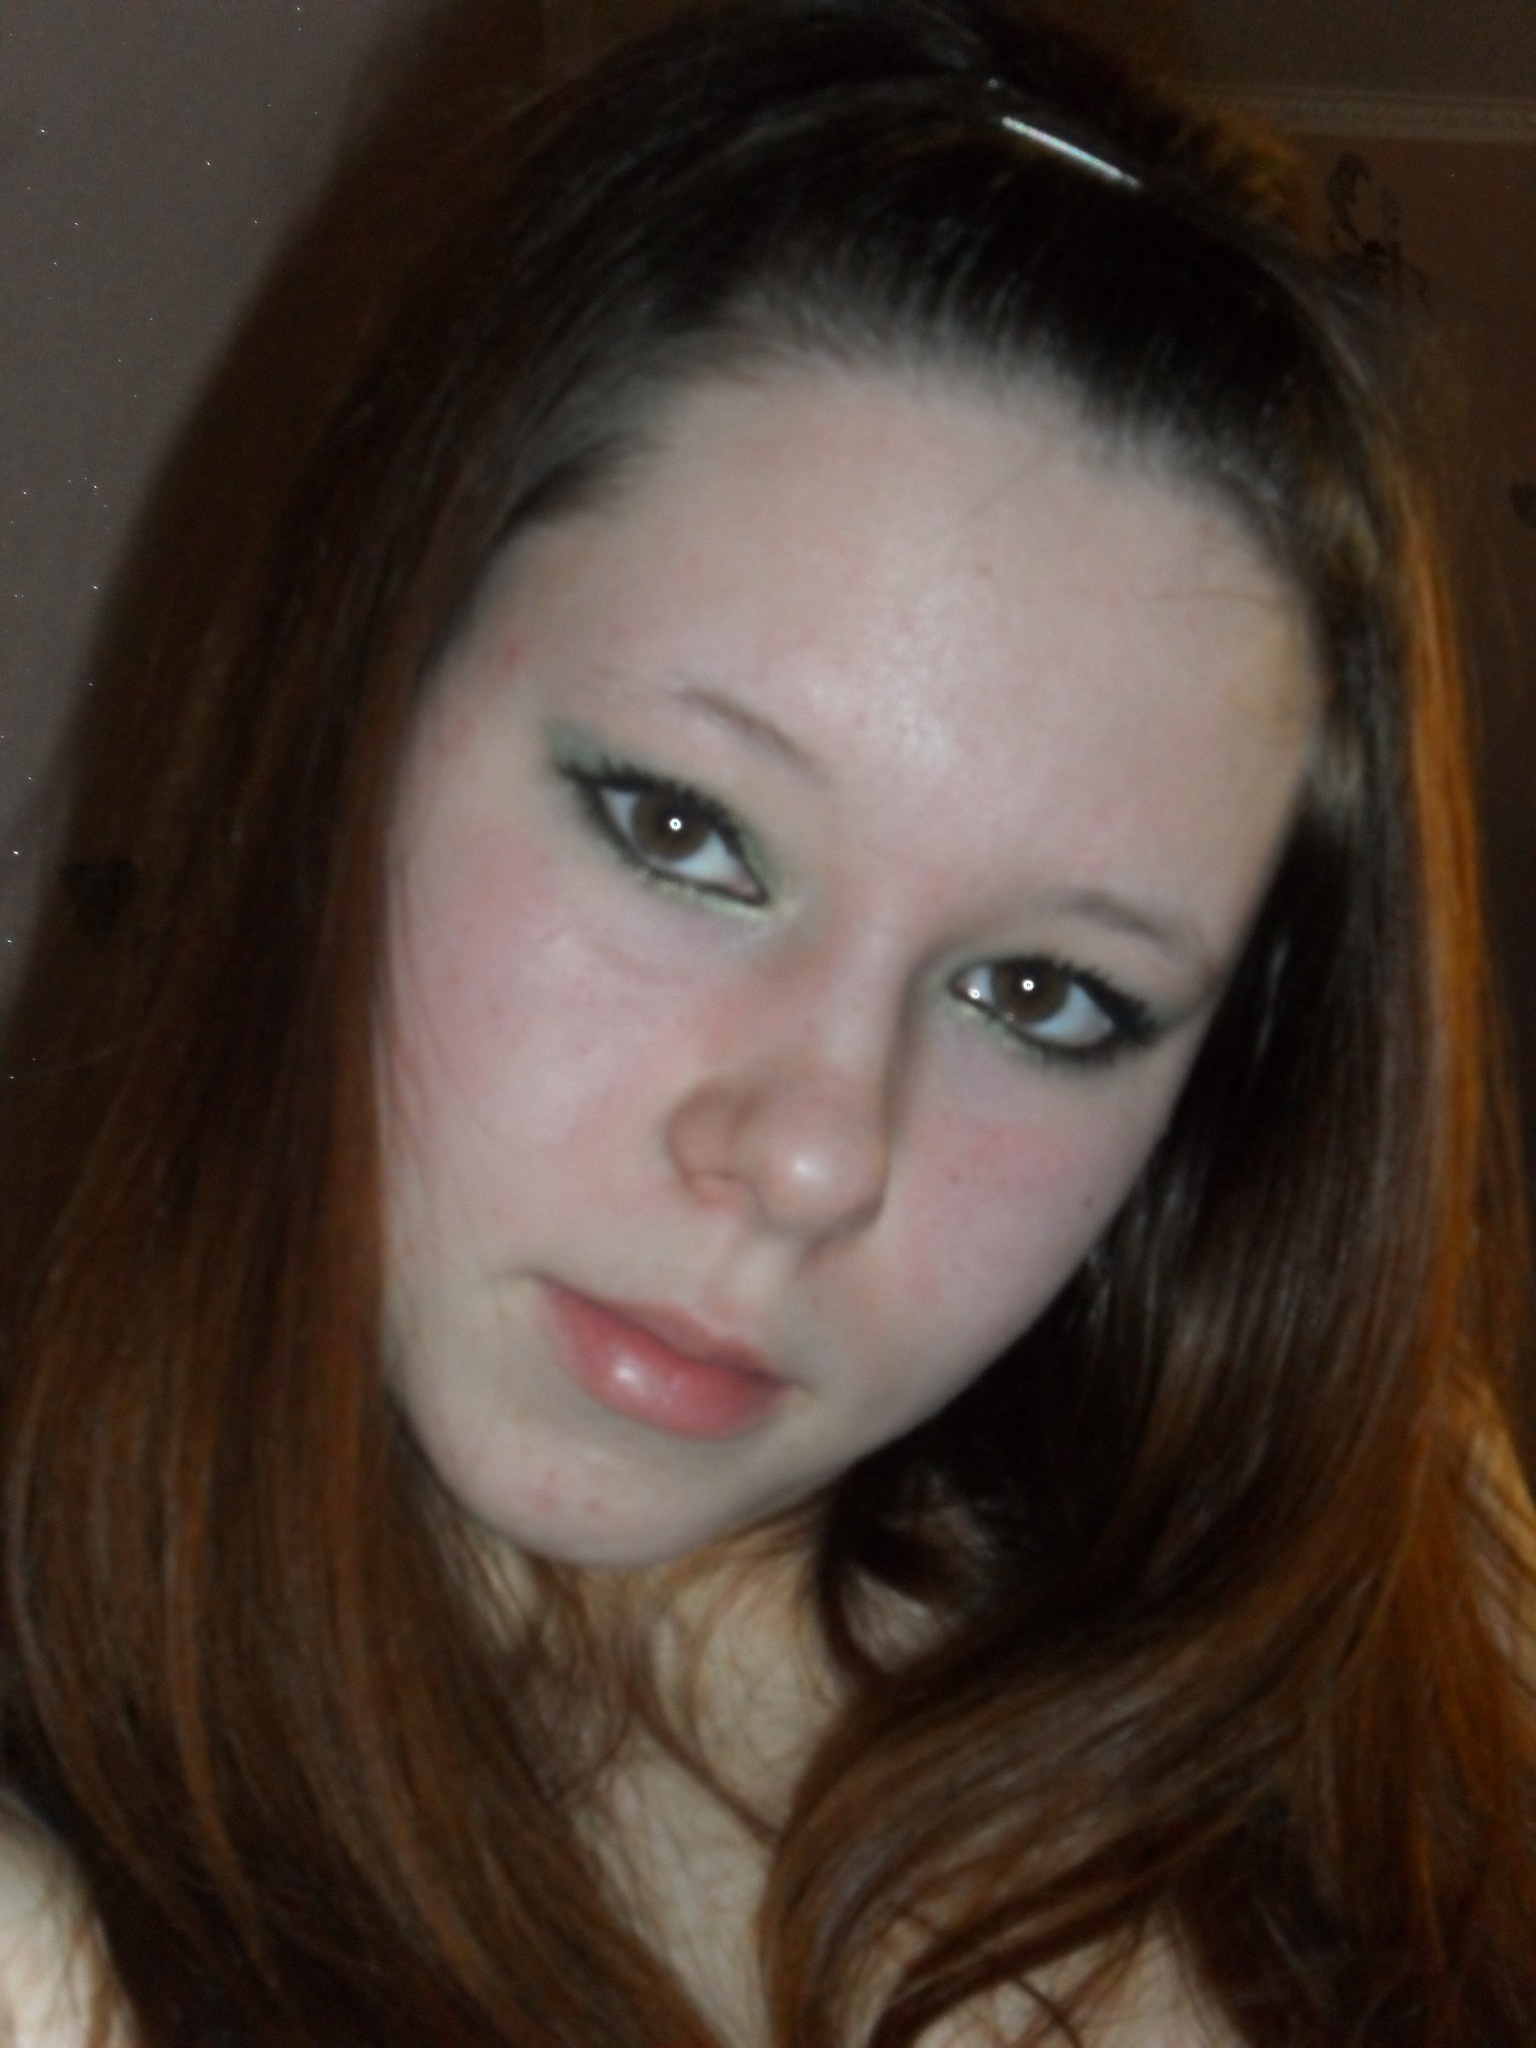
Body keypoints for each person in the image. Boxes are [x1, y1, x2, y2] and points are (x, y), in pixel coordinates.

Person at [0, 0, 1531, 2041]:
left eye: (1041, 992)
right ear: (355, 706)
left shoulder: (1410, 1609)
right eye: (683, 829)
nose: (814, 1151)